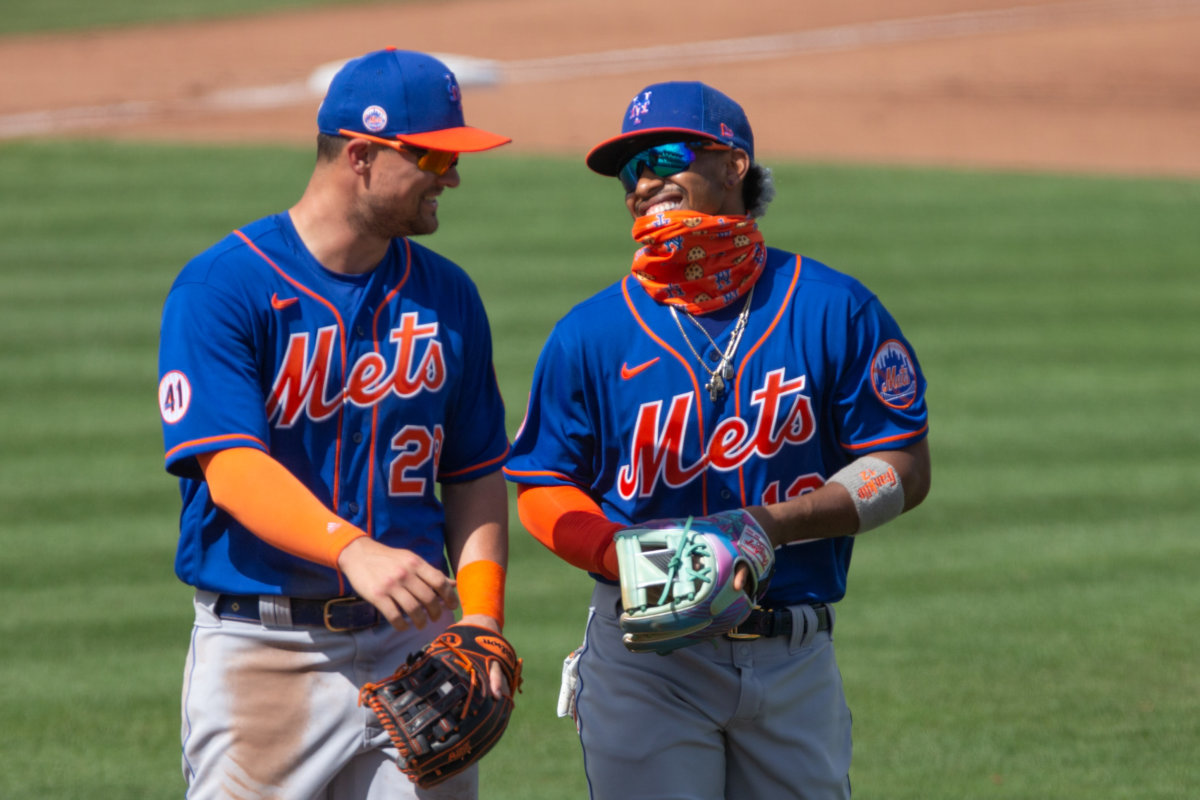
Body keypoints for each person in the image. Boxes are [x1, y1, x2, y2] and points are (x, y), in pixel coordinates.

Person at [503, 81, 932, 799]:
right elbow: (542, 485)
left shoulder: (831, 308)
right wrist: (618, 554)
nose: (644, 179)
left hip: (792, 656)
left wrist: (770, 526)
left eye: (664, 154)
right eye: (629, 168)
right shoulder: (590, 334)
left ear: (734, 165)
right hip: (646, 659)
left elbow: (902, 468)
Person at [157, 48, 513, 800]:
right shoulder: (225, 287)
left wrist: (480, 622)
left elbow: (475, 471)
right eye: (433, 157)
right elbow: (230, 466)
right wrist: (352, 549)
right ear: (361, 155)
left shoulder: (448, 295)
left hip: (417, 652)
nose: (452, 176)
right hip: (264, 650)